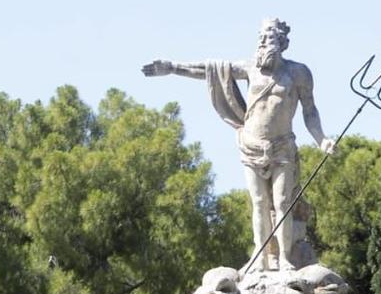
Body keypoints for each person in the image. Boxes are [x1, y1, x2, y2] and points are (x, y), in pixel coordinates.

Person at [143, 18, 335, 273]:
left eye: (270, 37)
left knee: (282, 203)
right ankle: (261, 258)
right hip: (252, 145)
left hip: (281, 147)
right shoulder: (250, 68)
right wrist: (173, 67)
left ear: (282, 42)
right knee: (258, 201)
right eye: (262, 36)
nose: (264, 41)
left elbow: (310, 111)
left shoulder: (298, 73)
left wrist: (321, 139)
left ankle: (285, 259)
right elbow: (211, 69)